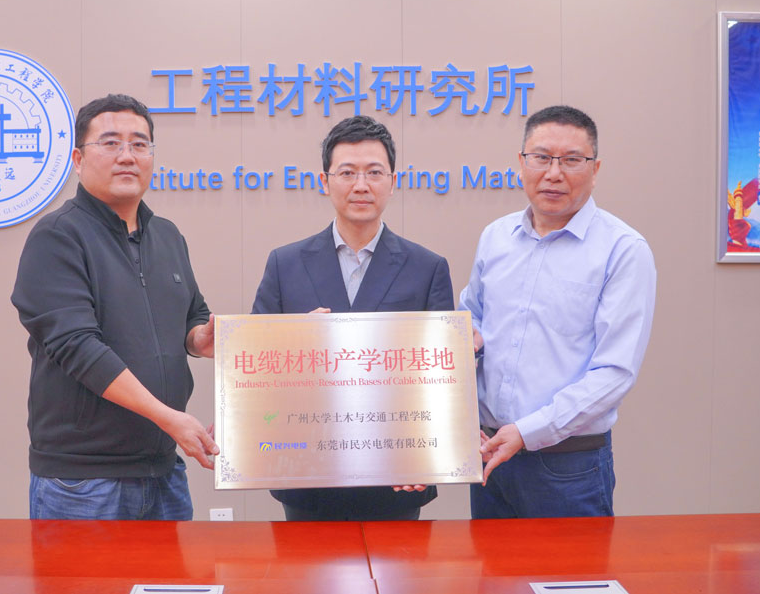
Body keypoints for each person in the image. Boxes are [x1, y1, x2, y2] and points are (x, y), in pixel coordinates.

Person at [12, 94, 219, 520]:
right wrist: (169, 418)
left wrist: (201, 339)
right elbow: (78, 347)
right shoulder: (57, 237)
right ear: (78, 159)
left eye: (139, 144)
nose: (127, 156)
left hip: (163, 471)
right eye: (110, 143)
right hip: (84, 482)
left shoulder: (167, 236)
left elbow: (193, 316)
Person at [251, 115, 454, 521]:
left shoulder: (427, 267)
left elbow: (443, 377)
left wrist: (429, 456)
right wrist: (295, 341)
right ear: (324, 182)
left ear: (392, 182)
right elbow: (256, 366)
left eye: (374, 172)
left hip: (397, 478)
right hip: (309, 479)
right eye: (347, 173)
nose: (361, 185)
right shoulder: (285, 264)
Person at [459, 105, 656, 519]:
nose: (553, 173)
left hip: (568, 466)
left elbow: (614, 372)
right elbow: (471, 316)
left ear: (595, 169)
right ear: (521, 163)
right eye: (542, 157)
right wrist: (467, 338)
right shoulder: (496, 237)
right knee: (489, 563)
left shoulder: (622, 250)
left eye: (571, 160)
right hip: (490, 455)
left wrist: (528, 432)